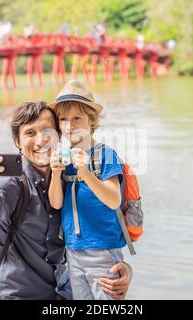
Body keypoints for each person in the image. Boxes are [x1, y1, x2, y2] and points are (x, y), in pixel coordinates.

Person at [0, 101, 132, 300]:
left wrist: (120, 268)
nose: (41, 141)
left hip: (63, 292)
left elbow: (97, 222)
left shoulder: (69, 173)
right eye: (30, 133)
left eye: (47, 131)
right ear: (17, 141)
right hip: (18, 295)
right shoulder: (11, 183)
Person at [48, 80, 126, 300]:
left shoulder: (104, 155)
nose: (69, 126)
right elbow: (56, 203)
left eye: (77, 119)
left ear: (92, 121)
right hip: (72, 249)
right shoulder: (64, 157)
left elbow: (113, 200)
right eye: (63, 119)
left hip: (102, 249)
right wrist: (55, 174)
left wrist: (87, 174)